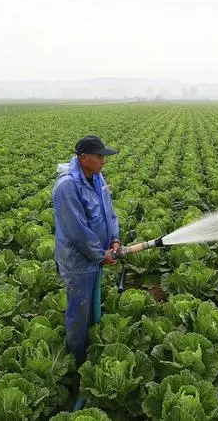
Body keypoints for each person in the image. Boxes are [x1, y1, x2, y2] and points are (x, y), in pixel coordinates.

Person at [52, 135, 121, 365]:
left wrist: (115, 240)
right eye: (99, 156)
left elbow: (109, 212)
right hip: (78, 262)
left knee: (92, 303)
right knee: (79, 310)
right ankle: (78, 359)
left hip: (97, 256)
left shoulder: (98, 177)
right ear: (83, 158)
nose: (104, 161)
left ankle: (91, 343)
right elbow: (77, 230)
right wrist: (100, 255)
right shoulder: (67, 186)